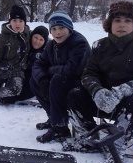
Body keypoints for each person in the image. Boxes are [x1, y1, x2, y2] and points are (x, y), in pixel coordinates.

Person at [68, 0, 133, 159]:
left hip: (128, 104)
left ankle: (117, 144)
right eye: (117, 20)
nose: (121, 25)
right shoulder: (99, 45)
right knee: (74, 94)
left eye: (127, 21)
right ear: (110, 23)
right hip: (102, 101)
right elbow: (89, 74)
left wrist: (121, 92)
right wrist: (97, 91)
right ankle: (88, 136)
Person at [30, 10, 91, 143]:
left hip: (81, 85)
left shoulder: (79, 43)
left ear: (69, 28)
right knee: (35, 81)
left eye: (61, 28)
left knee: (57, 80)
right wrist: (42, 80)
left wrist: (50, 70)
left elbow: (73, 70)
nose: (58, 32)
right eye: (54, 29)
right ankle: (53, 118)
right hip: (62, 81)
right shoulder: (51, 45)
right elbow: (38, 65)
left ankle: (60, 129)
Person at [0, 25, 49, 104]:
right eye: (36, 38)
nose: (37, 42)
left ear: (44, 42)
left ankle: (6, 97)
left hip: (32, 81)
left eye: (41, 40)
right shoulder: (25, 42)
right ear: (31, 36)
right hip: (17, 72)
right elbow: (10, 37)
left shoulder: (43, 54)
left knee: (19, 92)